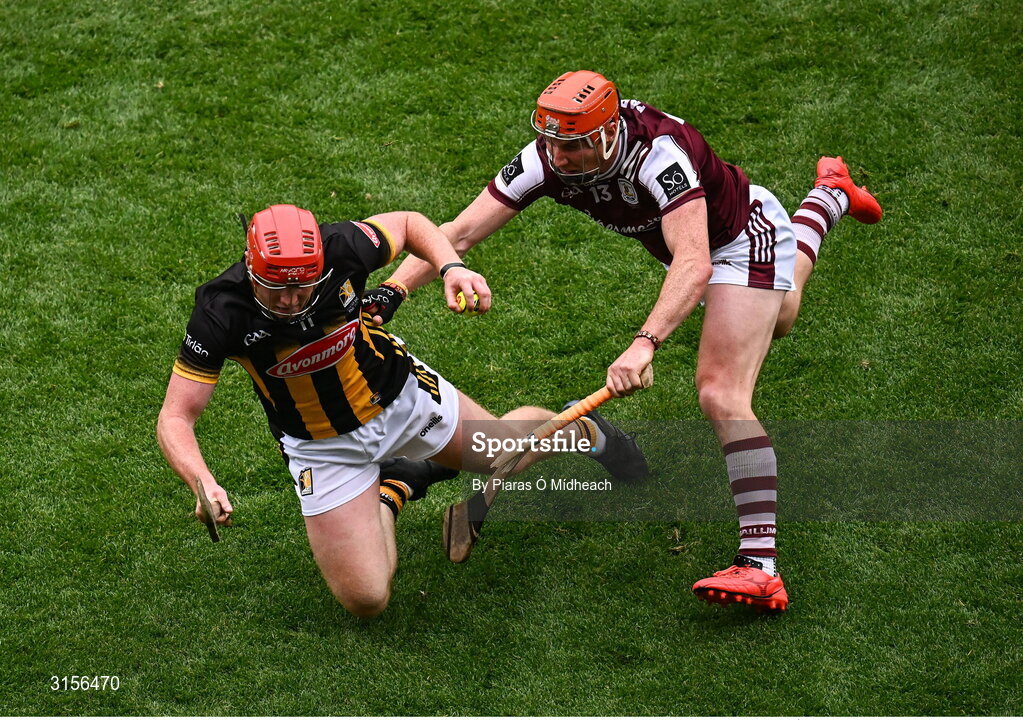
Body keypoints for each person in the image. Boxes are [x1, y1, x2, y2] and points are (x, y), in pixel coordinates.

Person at [369, 71, 884, 612]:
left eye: (570, 147)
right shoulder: (546, 156)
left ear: (607, 133)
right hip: (702, 249)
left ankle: (761, 566)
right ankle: (830, 195)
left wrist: (645, 343)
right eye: (550, 143)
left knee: (721, 392)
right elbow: (461, 231)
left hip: (733, 241)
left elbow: (695, 262)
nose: (557, 158)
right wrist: (392, 290)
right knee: (783, 312)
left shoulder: (660, 156)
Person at [156, 203, 646, 618]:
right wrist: (202, 480)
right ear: (250, 264)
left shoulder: (343, 246)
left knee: (505, 453)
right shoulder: (221, 310)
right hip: (322, 449)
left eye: (302, 288)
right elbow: (176, 417)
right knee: (367, 599)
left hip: (401, 400)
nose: (289, 302)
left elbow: (411, 224)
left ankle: (585, 430)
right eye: (274, 289)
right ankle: (397, 485)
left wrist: (451, 268)